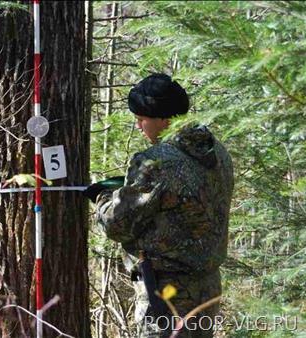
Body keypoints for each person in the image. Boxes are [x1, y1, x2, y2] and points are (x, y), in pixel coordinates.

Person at [95, 73, 234, 337]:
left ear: (164, 119)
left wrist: (102, 198)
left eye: (141, 119)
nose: (138, 126)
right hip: (208, 288)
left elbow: (117, 224)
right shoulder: (216, 151)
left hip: (167, 294)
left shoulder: (157, 162)